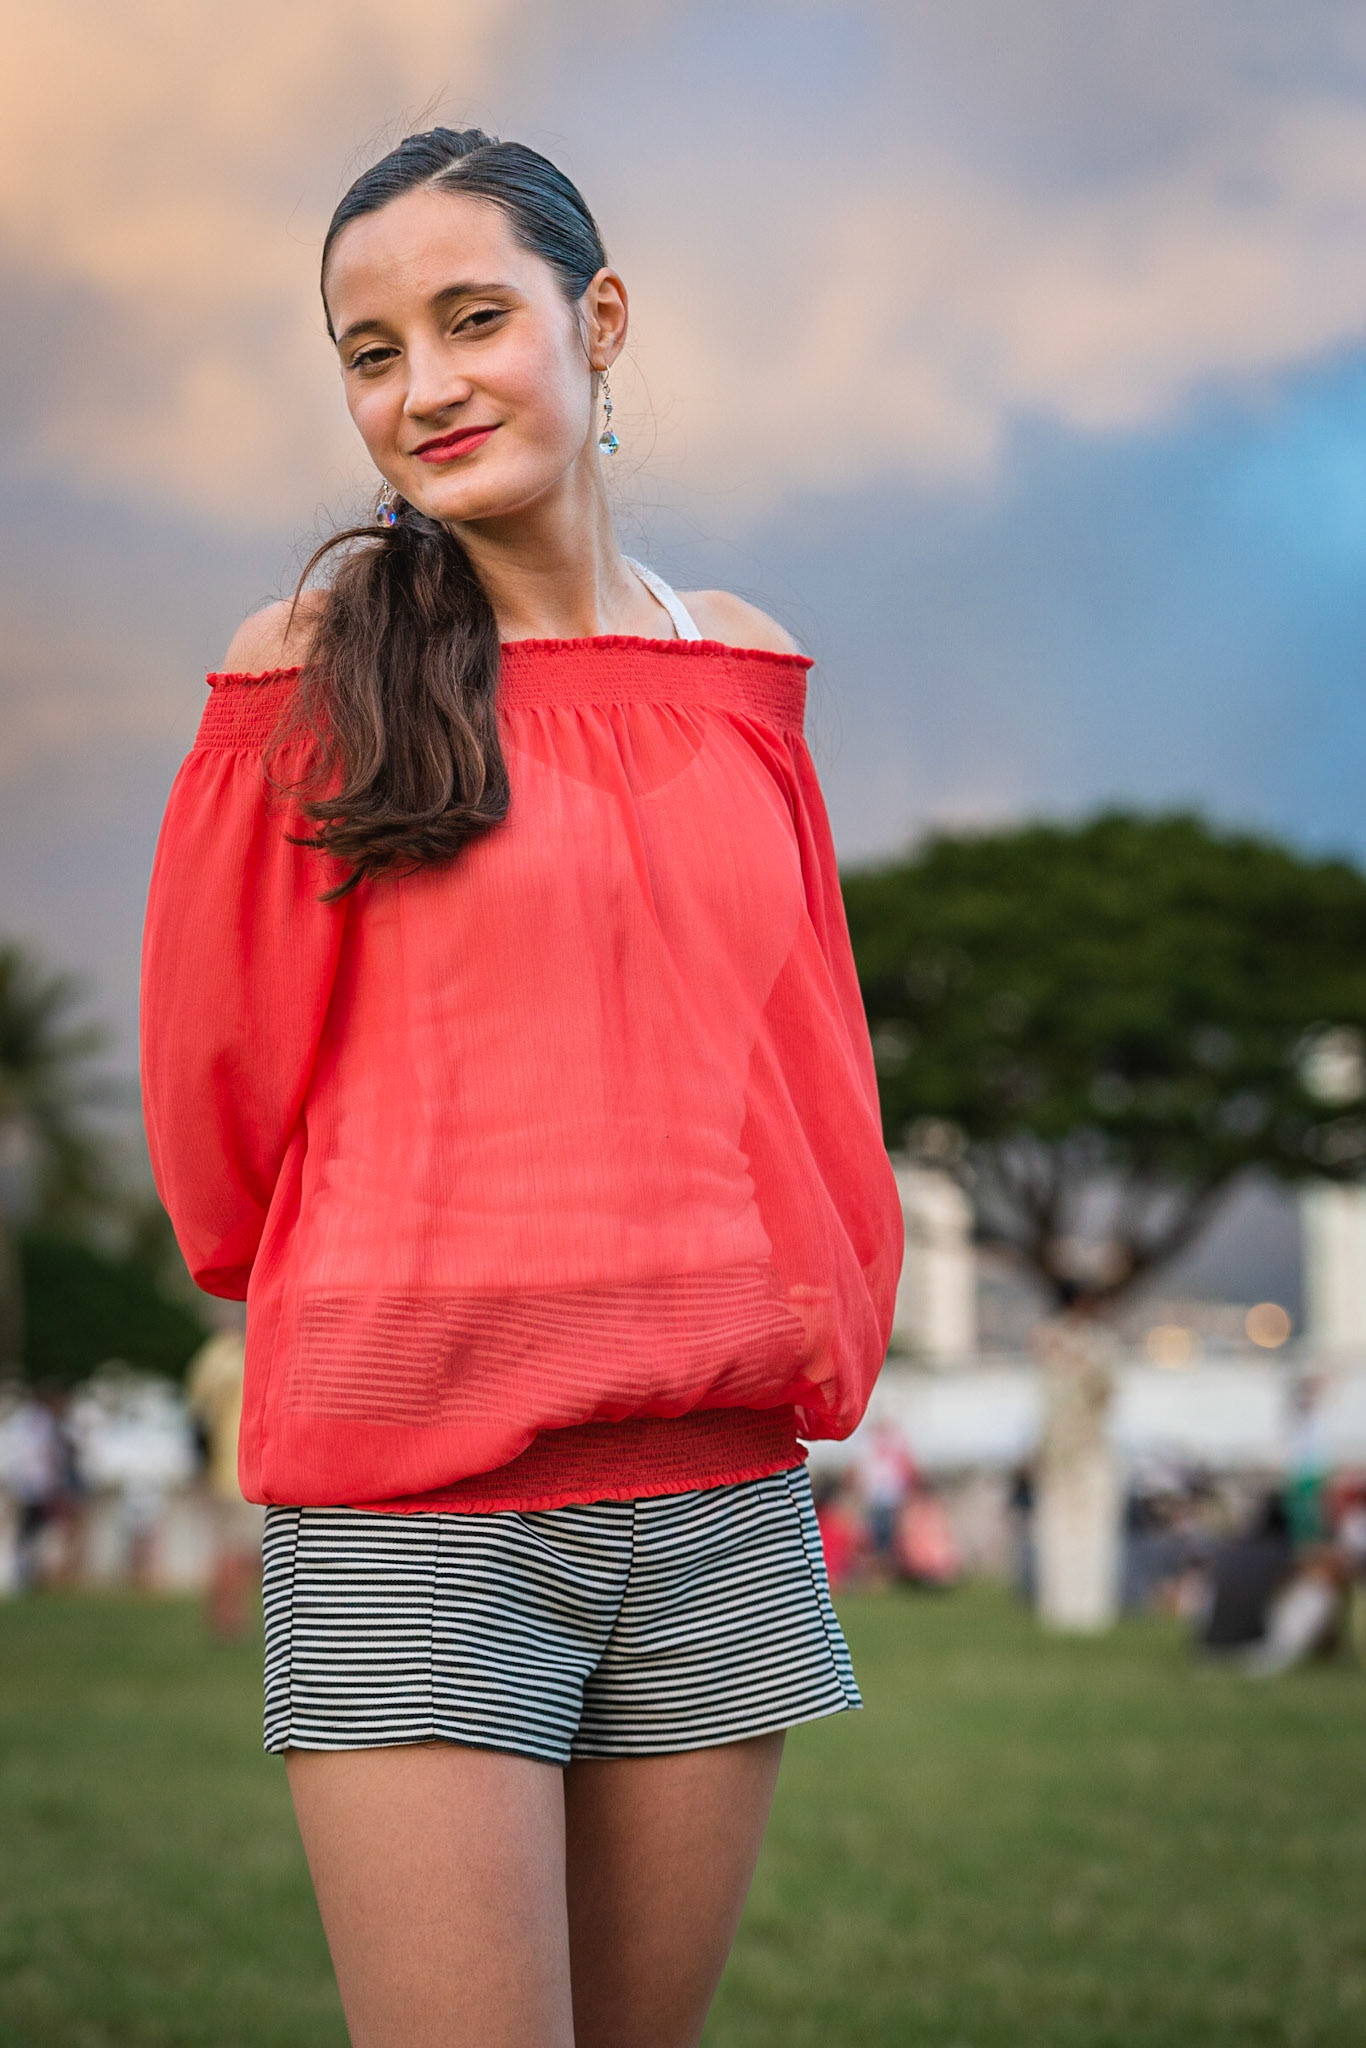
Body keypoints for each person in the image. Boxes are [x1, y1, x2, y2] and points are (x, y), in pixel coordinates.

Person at [140, 127, 903, 2048]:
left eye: (472, 321)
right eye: (370, 349)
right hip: (413, 1504)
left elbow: (803, 1059)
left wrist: (809, 1320)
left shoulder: (738, 668)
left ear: (601, 320)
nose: (423, 388)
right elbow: (217, 1093)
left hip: (715, 1492)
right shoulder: (306, 672)